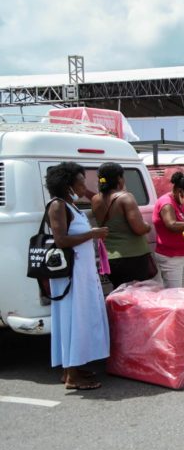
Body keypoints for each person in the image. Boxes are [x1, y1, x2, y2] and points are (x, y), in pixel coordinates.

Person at [45, 162, 111, 390]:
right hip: (70, 274)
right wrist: (92, 233)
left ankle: (71, 368)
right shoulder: (57, 206)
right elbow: (61, 239)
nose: (85, 185)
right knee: (74, 318)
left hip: (81, 272)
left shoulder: (70, 205)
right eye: (81, 181)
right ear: (67, 184)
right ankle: (72, 376)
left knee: (80, 317)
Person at [92, 162, 157, 288]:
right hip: (132, 257)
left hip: (110, 259)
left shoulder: (95, 199)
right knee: (135, 298)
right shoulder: (125, 197)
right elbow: (139, 228)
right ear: (119, 178)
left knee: (120, 296)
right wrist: (148, 226)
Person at [153, 171, 184, 288]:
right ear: (179, 190)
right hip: (171, 256)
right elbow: (171, 224)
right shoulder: (166, 203)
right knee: (174, 295)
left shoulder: (180, 202)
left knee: (182, 292)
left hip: (183, 255)